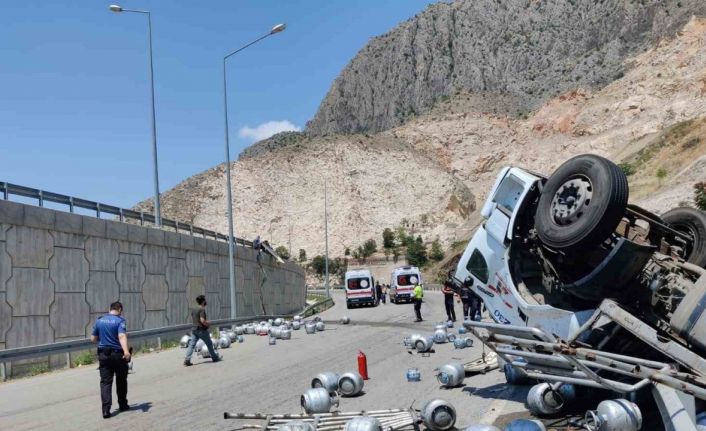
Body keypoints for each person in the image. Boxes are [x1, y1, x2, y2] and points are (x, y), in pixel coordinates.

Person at [91, 301, 130, 419]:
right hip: (118, 355)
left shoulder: (99, 320)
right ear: (120, 310)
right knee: (121, 379)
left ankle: (106, 410)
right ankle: (123, 405)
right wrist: (127, 351)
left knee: (106, 382)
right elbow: (122, 336)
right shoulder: (120, 321)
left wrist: (104, 340)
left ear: (110, 309)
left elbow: (93, 339)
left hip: (104, 355)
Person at [184, 295, 220, 366]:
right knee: (209, 344)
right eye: (205, 300)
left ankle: (187, 360)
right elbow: (202, 320)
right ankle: (214, 357)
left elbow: (192, 318)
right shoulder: (202, 309)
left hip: (194, 329)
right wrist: (207, 324)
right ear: (203, 301)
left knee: (191, 345)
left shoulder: (193, 309)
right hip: (201, 330)